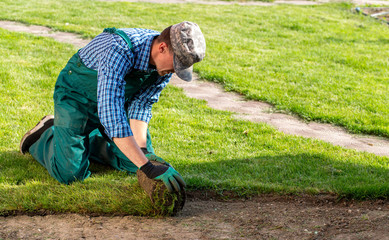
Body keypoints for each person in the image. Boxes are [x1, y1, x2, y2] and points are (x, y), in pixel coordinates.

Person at [20, 21, 206, 193]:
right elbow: (112, 115)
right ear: (162, 48)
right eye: (176, 65)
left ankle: (84, 141)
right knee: (70, 174)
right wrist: (147, 167)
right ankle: (46, 134)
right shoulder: (118, 49)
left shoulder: (162, 68)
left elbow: (141, 105)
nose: (175, 71)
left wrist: (143, 154)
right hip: (77, 98)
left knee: (135, 162)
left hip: (116, 102)